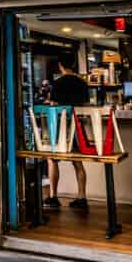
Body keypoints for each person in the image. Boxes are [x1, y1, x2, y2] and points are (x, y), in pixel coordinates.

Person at [46, 55, 91, 210]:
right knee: (78, 161)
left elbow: (53, 105)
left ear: (60, 66)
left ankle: (53, 196)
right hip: (77, 126)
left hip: (62, 126)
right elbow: (86, 104)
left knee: (52, 159)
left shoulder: (58, 83)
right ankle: (82, 196)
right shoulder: (82, 83)